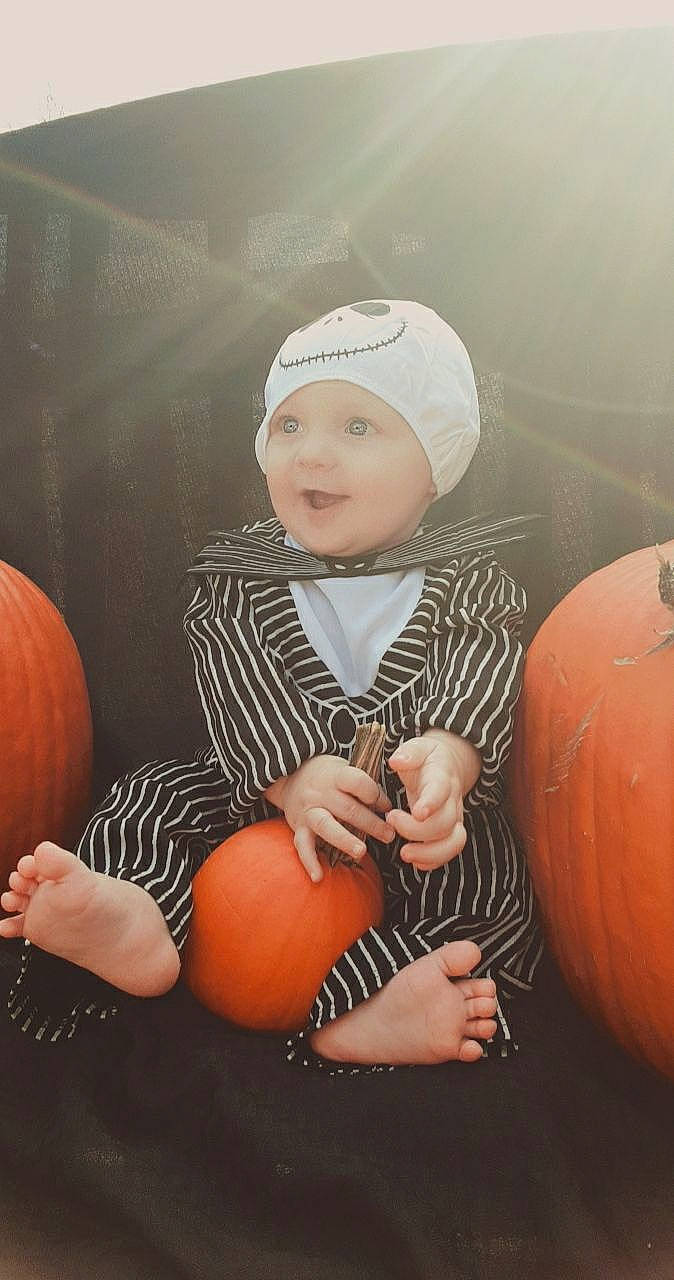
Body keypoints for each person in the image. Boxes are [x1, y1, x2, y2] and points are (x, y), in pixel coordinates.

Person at [0, 299, 542, 1071]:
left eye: (358, 428)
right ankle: (137, 914)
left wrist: (449, 765)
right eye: (289, 426)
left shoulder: (473, 581)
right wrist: (291, 774)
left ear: (435, 466)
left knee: (491, 897)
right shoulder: (237, 574)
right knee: (146, 801)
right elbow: (232, 673)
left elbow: (481, 665)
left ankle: (373, 1003)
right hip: (252, 796)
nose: (310, 455)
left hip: (403, 825)